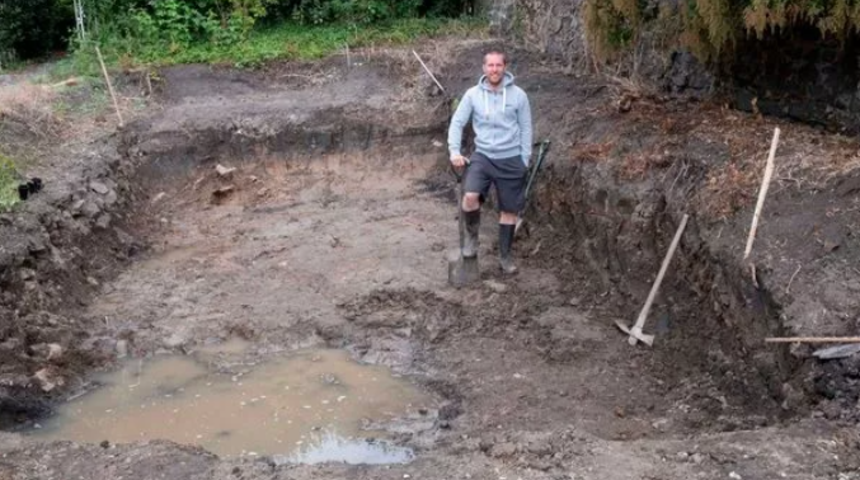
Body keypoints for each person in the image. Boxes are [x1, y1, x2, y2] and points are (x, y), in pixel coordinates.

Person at [447, 48, 533, 274]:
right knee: (470, 197)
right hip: (483, 156)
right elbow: (457, 123)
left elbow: (526, 128)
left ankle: (505, 258)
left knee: (509, 212)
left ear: (505, 67)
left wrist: (524, 159)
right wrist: (454, 151)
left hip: (511, 158)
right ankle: (472, 242)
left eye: (498, 65)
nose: (494, 69)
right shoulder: (473, 95)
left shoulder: (518, 96)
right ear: (484, 68)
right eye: (490, 65)